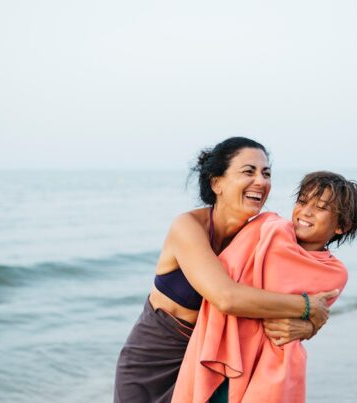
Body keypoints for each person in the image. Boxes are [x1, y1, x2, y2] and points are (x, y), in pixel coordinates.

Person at [113, 138, 338, 403]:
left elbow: (288, 289)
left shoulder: (264, 235)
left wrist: (309, 325)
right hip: (151, 366)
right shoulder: (187, 227)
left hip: (211, 366)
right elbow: (227, 297)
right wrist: (307, 308)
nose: (261, 181)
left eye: (266, 174)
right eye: (248, 171)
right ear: (216, 183)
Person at [172, 171, 357, 403]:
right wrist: (305, 312)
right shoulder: (268, 228)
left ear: (342, 226)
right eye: (303, 201)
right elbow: (231, 283)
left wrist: (309, 325)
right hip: (226, 350)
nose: (306, 211)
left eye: (321, 207)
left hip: (271, 367)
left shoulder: (333, 273)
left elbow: (299, 322)